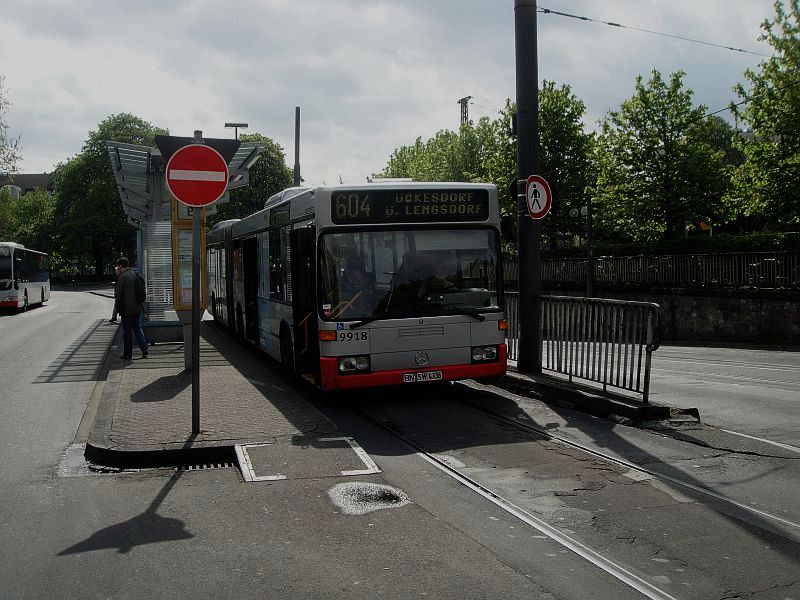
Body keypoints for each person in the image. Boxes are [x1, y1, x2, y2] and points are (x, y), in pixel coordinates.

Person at [114, 258, 148, 360]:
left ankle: (128, 354)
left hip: (126, 309)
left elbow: (118, 295)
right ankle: (144, 349)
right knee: (137, 328)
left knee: (127, 332)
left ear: (120, 266)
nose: (117, 269)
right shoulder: (135, 274)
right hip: (137, 307)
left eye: (117, 267)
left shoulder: (122, 277)